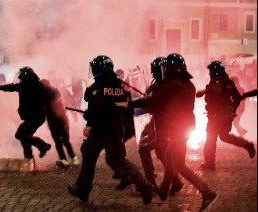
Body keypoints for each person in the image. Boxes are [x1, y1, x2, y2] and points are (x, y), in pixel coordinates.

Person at [120, 53, 218, 211]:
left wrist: (128, 104)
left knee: (178, 163)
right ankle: (164, 189)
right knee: (169, 156)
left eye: (166, 67)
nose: (164, 70)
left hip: (177, 128)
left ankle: (207, 191)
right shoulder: (187, 84)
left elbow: (154, 100)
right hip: (184, 127)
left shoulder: (172, 85)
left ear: (172, 69)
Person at [68, 55, 153, 205]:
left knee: (88, 156)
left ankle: (83, 188)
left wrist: (89, 124)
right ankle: (143, 184)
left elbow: (97, 109)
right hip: (116, 129)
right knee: (120, 160)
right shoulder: (119, 86)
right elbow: (123, 107)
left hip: (100, 130)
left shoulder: (96, 88)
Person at [116, 57, 183, 194]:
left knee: (145, 150)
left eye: (154, 71)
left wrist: (129, 104)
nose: (153, 73)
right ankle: (175, 180)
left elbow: (149, 101)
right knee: (160, 152)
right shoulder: (163, 84)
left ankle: (151, 182)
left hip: (160, 124)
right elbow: (147, 98)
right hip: (160, 124)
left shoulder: (164, 86)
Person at [196, 61, 256, 171]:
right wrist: (232, 110)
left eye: (210, 71)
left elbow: (215, 92)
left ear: (215, 71)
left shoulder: (215, 82)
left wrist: (205, 92)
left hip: (216, 116)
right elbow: (237, 97)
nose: (209, 73)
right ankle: (247, 145)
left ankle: (210, 164)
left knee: (211, 138)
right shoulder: (229, 83)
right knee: (224, 136)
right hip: (226, 115)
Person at [0, 66, 52, 160]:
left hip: (35, 117)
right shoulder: (37, 85)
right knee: (25, 137)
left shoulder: (27, 85)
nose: (20, 79)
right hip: (36, 116)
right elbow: (11, 87)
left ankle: (42, 145)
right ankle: (29, 158)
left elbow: (11, 87)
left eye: (21, 77)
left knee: (19, 134)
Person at [41, 79, 79, 168]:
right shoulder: (41, 97)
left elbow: (55, 98)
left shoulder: (55, 91)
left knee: (65, 140)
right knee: (57, 141)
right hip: (51, 121)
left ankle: (74, 157)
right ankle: (63, 159)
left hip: (62, 120)